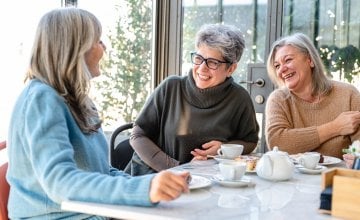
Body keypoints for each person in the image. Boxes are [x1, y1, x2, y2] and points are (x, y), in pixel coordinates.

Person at [6, 8, 189, 219]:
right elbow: (60, 182)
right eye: (98, 40)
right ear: (75, 48)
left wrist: (155, 185)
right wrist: (144, 189)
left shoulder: (78, 102)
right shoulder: (41, 99)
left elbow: (102, 172)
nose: (104, 47)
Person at [125, 24, 259, 176]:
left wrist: (223, 148)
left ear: (231, 69)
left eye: (213, 62)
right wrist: (179, 168)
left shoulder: (239, 98)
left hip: (209, 183)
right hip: (155, 178)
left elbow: (250, 141)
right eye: (198, 58)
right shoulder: (171, 87)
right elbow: (138, 135)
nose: (202, 68)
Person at [265, 32, 360, 159]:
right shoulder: (278, 99)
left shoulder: (348, 94)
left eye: (288, 60)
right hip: (292, 177)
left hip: (336, 176)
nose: (281, 70)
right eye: (277, 66)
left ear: (310, 60)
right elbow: (277, 142)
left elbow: (358, 145)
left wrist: (355, 156)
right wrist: (335, 127)